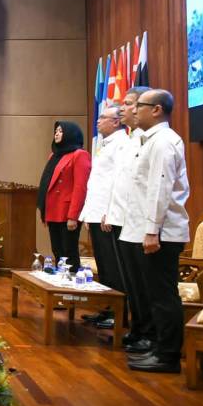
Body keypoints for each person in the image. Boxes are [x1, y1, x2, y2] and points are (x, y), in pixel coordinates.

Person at [121, 89, 190, 374]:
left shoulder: (163, 142)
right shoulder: (149, 141)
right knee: (154, 295)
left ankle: (167, 355)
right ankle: (158, 347)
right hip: (152, 230)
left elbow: (159, 189)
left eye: (140, 105)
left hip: (162, 233)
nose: (134, 110)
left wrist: (151, 231)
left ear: (157, 110)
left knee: (163, 296)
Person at [105, 86, 150, 350]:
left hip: (139, 223)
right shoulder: (132, 140)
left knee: (142, 284)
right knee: (131, 282)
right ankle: (138, 328)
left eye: (130, 103)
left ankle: (148, 334)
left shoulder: (151, 140)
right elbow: (118, 183)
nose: (123, 108)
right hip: (122, 219)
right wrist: (111, 211)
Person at [78, 104, 129, 327]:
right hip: (96, 213)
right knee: (104, 266)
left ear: (116, 122)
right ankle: (107, 308)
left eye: (103, 117)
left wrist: (109, 211)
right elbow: (97, 183)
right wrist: (88, 213)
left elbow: (118, 181)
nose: (98, 121)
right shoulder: (106, 144)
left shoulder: (122, 144)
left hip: (108, 215)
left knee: (113, 266)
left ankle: (118, 314)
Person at [37, 121, 91, 271]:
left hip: (67, 212)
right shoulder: (54, 155)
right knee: (57, 250)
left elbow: (80, 187)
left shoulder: (80, 154)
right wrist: (44, 211)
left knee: (69, 251)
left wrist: (73, 216)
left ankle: (72, 280)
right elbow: (47, 184)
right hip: (53, 210)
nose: (57, 133)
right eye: (56, 131)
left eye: (61, 131)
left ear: (70, 134)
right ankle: (60, 281)